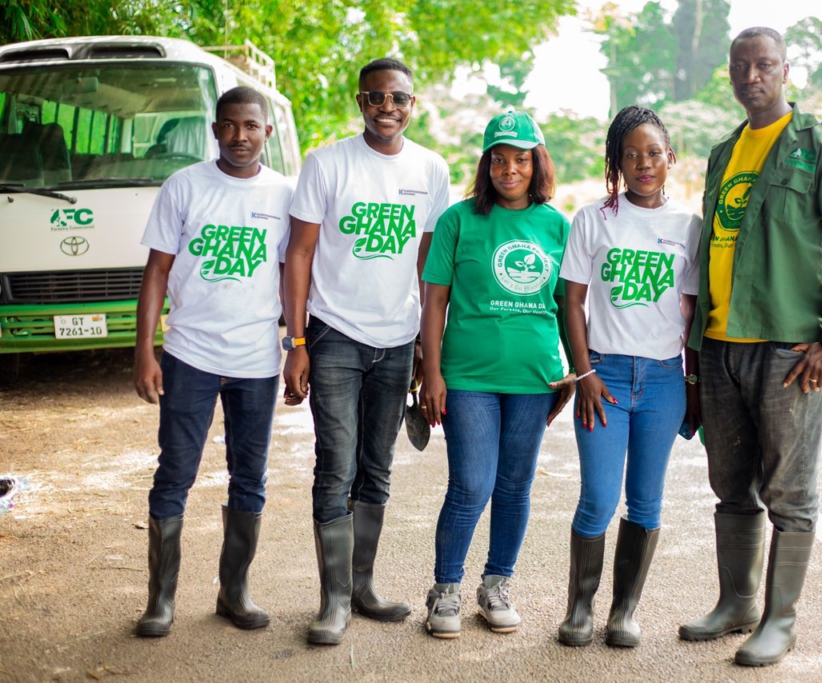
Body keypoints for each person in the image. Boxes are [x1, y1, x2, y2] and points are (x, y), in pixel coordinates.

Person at [678, 27, 822, 666]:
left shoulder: (819, 148)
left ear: (786, 70)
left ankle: (779, 620)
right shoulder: (721, 152)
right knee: (730, 481)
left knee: (788, 490)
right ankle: (735, 602)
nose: (751, 75)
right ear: (730, 74)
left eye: (764, 64)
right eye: (741, 66)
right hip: (719, 344)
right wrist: (693, 348)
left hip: (789, 348)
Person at [283, 58, 450, 645]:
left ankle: (362, 587)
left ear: (413, 103)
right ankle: (332, 602)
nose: (387, 108)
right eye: (375, 98)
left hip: (398, 340)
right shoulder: (327, 163)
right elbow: (298, 254)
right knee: (336, 465)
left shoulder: (431, 168)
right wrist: (297, 341)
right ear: (360, 102)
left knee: (376, 468)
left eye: (398, 98)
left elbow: (433, 270)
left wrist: (431, 354)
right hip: (333, 335)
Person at [133, 86, 292, 637]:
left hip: (256, 358)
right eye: (229, 125)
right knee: (175, 472)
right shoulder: (185, 186)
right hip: (189, 353)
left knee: (249, 477)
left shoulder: (285, 195)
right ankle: (160, 601)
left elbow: (296, 277)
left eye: (251, 126)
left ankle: (234, 592)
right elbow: (156, 271)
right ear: (215, 129)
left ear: (266, 132)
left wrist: (297, 345)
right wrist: (145, 349)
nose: (240, 136)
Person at [418, 110, 574, 639]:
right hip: (467, 376)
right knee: (471, 484)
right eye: (500, 159)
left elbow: (567, 303)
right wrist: (430, 372)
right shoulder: (458, 220)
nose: (511, 169)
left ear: (537, 163)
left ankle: (496, 585)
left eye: (522, 159)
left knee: (514, 485)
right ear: (486, 165)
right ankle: (446, 590)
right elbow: (434, 299)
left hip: (534, 378)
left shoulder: (557, 225)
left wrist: (574, 372)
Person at [555, 106, 702, 649]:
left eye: (654, 153)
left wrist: (692, 385)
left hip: (663, 380)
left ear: (671, 158)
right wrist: (585, 371)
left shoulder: (688, 226)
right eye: (631, 154)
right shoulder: (594, 219)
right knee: (597, 496)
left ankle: (623, 612)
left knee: (645, 501)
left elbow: (690, 314)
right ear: (616, 161)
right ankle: (578, 610)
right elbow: (571, 301)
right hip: (605, 377)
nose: (644, 163)